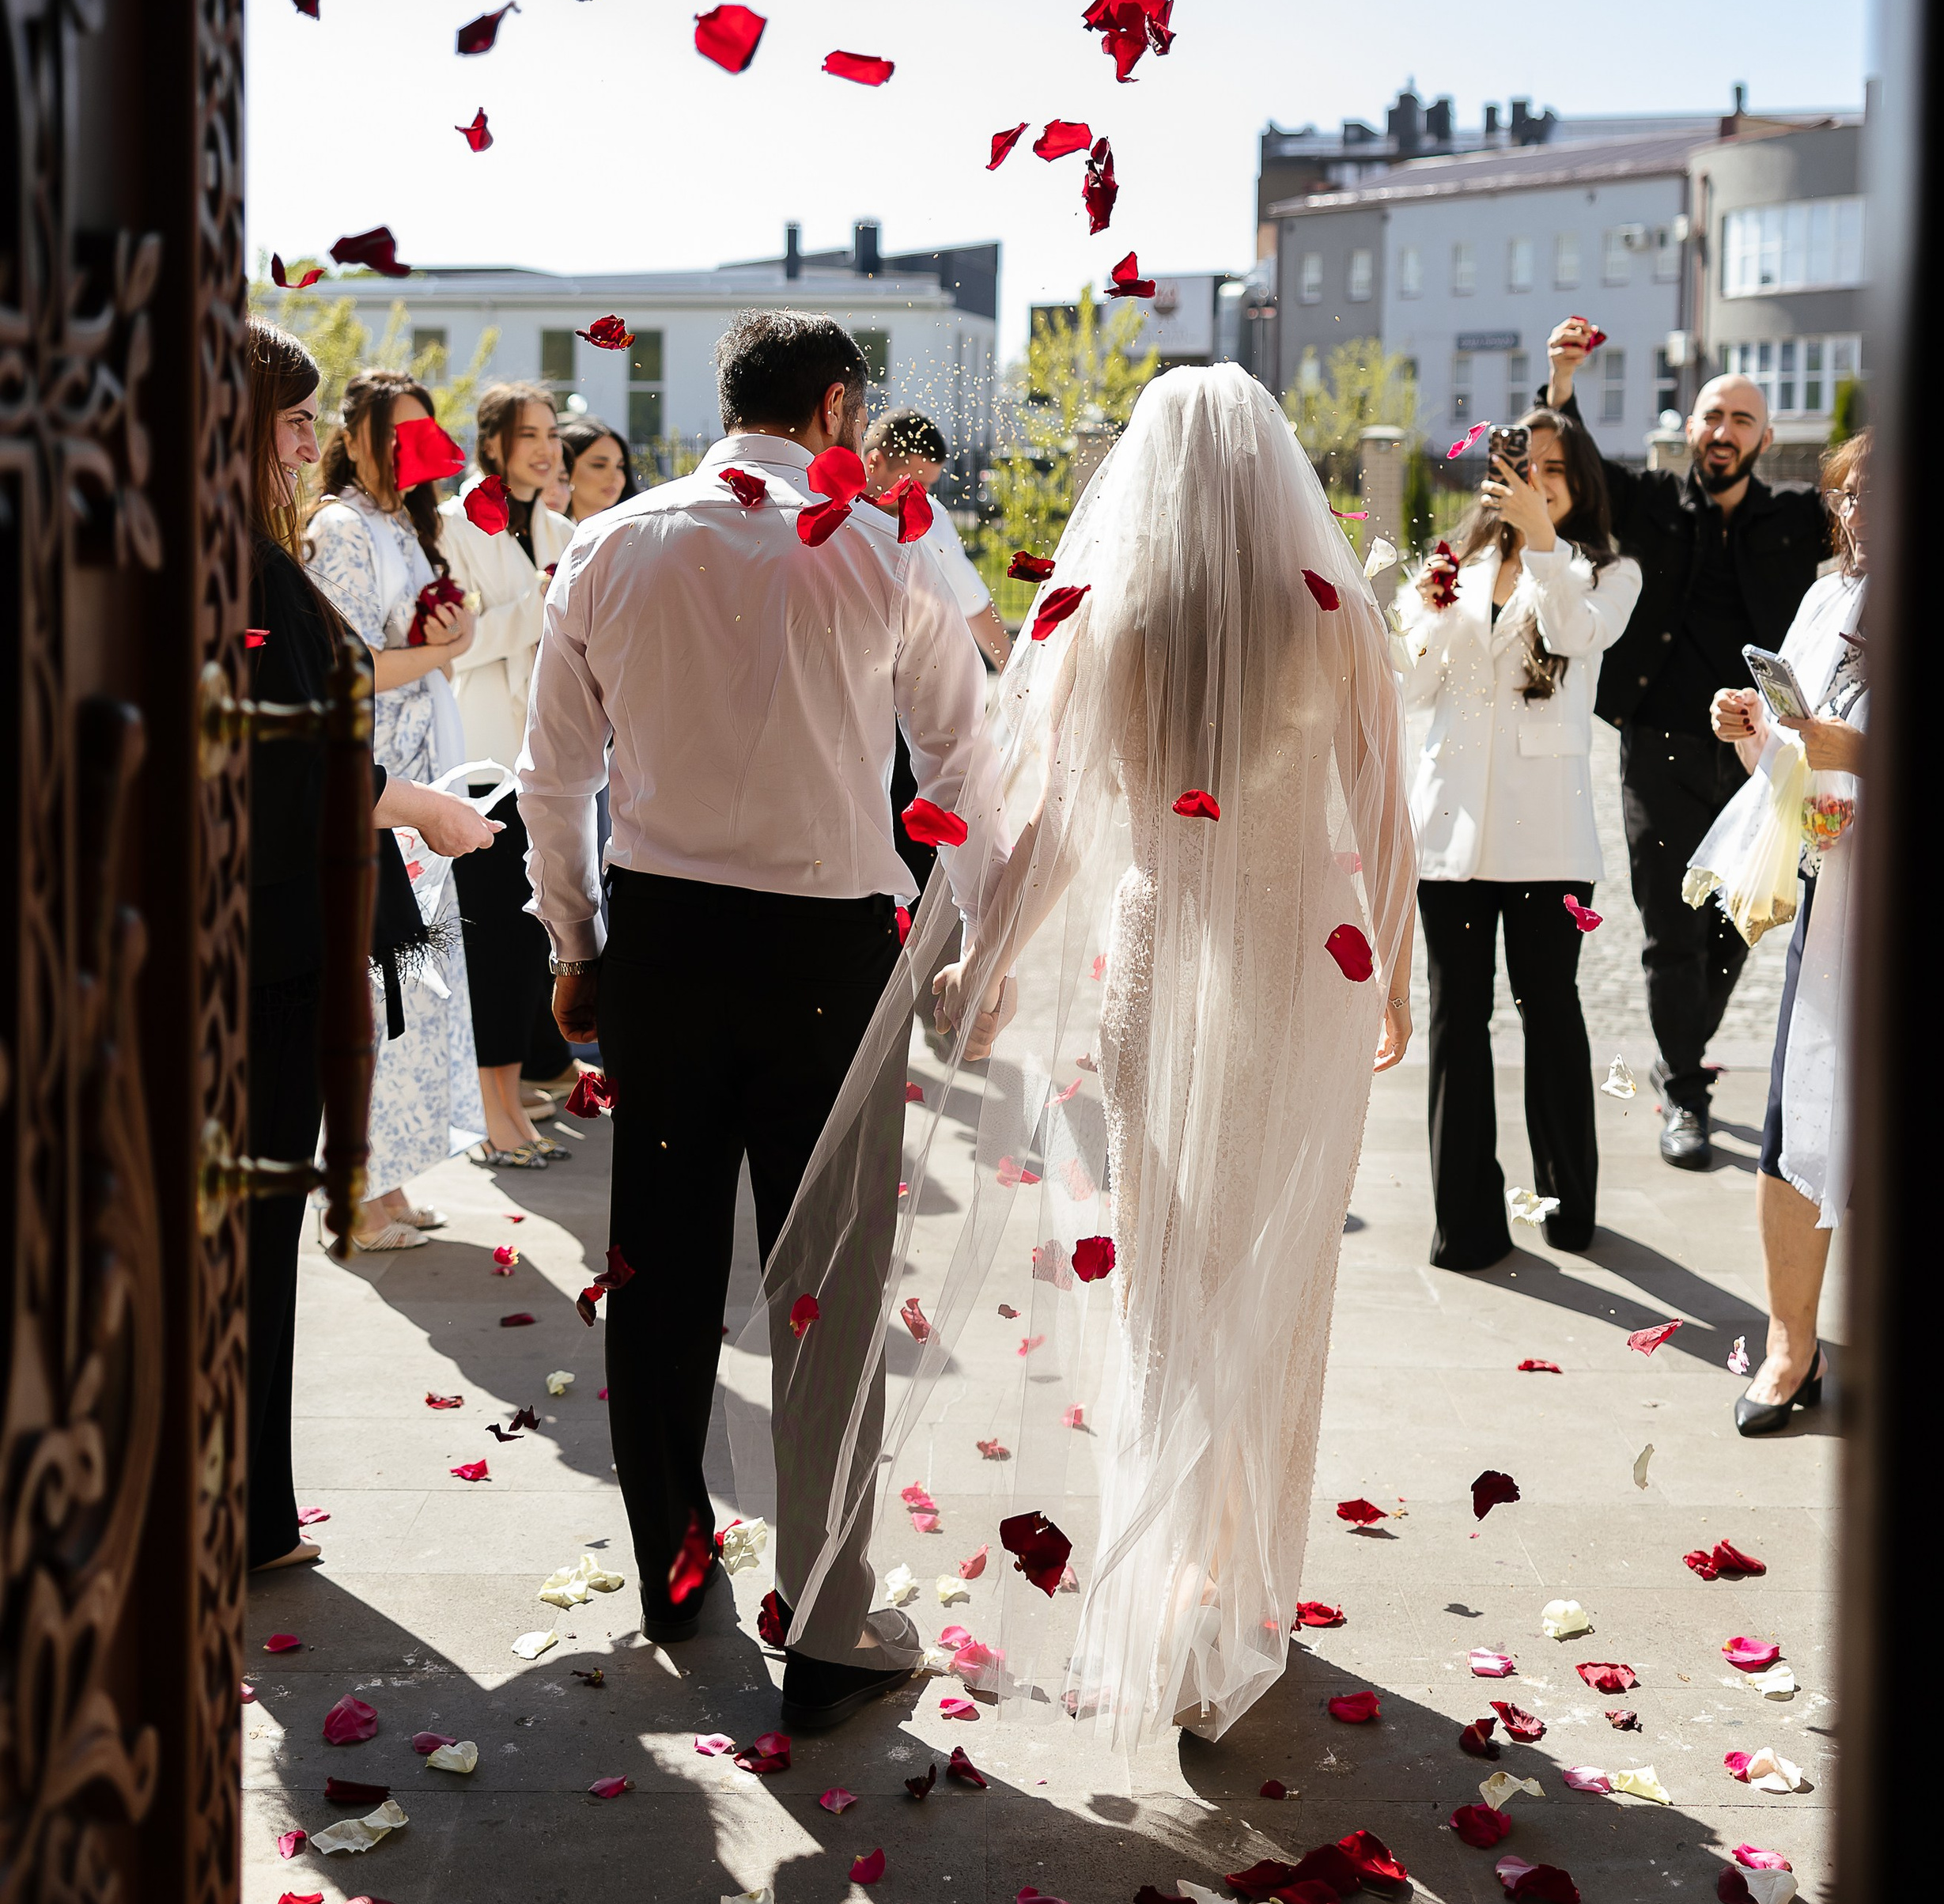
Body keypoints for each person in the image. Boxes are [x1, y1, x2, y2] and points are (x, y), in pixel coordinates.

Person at [743, 365, 1416, 1751]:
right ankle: (1239, 1581)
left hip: (1161, 963)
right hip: (1302, 973)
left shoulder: (1108, 621)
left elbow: (1043, 823)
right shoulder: (1335, 616)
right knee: (1278, 1286)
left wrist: (984, 965)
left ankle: (1174, 1572)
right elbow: (1385, 811)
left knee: (1166, 1283)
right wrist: (1397, 974)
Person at [517, 311, 1004, 1728]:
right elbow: (962, 757)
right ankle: (834, 1613)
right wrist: (966, 942)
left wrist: (578, 943)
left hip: (662, 941)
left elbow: (555, 782)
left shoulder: (609, 544)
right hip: (827, 960)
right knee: (831, 1286)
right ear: (837, 408)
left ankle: (677, 1576)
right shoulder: (887, 542)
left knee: (661, 1275)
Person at [246, 321, 498, 1565]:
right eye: (295, 424)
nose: (311, 448)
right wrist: (415, 803)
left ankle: (247, 1500)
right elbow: (294, 736)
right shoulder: (262, 558)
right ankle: (243, 1508)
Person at [1542, 318, 1834, 1168]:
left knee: (1739, 924)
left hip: (1760, 762)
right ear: (1691, 427)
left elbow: (1868, 500)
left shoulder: (1793, 521)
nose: (1723, 432)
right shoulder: (1655, 506)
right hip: (1659, 749)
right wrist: (1561, 381)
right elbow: (1579, 463)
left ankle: (1679, 1061)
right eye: (1712, 415)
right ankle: (1686, 1094)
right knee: (1670, 932)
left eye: (1742, 420)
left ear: (1764, 439)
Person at [1399, 409, 1642, 1270]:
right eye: (1522, 465)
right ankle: (1462, 1223)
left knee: (1551, 1013)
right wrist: (1426, 616)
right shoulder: (1456, 566)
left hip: (1547, 836)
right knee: (1457, 1023)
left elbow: (1575, 634)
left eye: (1554, 468)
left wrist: (1543, 545)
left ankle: (1568, 1201)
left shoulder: (1606, 573)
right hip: (1451, 832)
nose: (1536, 480)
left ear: (1579, 485)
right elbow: (1414, 684)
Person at [1692, 430, 1869, 1434]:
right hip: (1836, 891)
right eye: (1843, 497)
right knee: (1791, 1124)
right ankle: (1789, 1345)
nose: (1853, 514)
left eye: (1873, 494)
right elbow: (1802, 763)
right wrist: (1753, 732)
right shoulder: (1821, 597)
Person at [304, 373, 487, 1240]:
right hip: (376, 786)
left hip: (419, 774)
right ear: (360, 433)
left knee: (414, 988)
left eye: (427, 432)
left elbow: (406, 647)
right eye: (399, 432)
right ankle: (358, 1194)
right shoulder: (339, 527)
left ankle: (393, 1179)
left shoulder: (403, 526)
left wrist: (439, 638)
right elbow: (343, 670)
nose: (415, 448)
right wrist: (445, 646)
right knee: (378, 991)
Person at [437, 381, 574, 1167]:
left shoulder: (561, 525)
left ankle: (511, 1102)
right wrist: (540, 604)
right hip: (482, 761)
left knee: (531, 938)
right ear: (493, 443)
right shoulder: (454, 527)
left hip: (546, 757)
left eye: (551, 432)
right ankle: (493, 1117)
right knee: (492, 941)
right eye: (530, 433)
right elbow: (459, 641)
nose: (547, 447)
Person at [860, 408, 1012, 894]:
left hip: (908, 696)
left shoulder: (932, 521)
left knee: (915, 826)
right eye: (913, 481)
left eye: (929, 485)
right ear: (874, 461)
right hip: (842, 694)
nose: (919, 496)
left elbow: (974, 603)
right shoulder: (824, 508)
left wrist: (1015, 673)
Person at [561, 415, 636, 527]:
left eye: (620, 467)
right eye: (599, 465)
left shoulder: (632, 532)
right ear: (566, 467)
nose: (615, 477)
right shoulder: (546, 531)